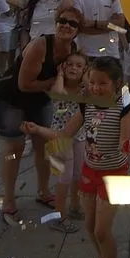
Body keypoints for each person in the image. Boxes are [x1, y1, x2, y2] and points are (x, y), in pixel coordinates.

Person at [22, 56, 130, 258]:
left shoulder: (124, 108)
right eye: (92, 82)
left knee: (102, 231)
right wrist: (37, 129)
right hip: (90, 171)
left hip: (115, 176)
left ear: (117, 84)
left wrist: (127, 145)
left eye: (103, 83)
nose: (96, 88)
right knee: (90, 226)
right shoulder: (86, 105)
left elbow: (125, 138)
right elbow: (64, 135)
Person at [0, 7, 82, 223]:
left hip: (40, 101)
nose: (66, 25)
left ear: (78, 30)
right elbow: (24, 84)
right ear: (55, 22)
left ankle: (43, 191)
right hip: (12, 100)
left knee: (43, 146)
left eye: (72, 23)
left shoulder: (72, 48)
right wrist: (54, 82)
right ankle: (9, 200)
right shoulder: (40, 46)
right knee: (14, 148)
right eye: (62, 20)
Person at [44, 51, 89, 233]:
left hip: (79, 135)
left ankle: (75, 206)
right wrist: (60, 75)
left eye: (79, 66)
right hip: (58, 137)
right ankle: (59, 215)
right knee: (65, 176)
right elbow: (58, 94)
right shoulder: (58, 84)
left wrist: (85, 76)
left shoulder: (84, 88)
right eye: (69, 64)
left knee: (79, 172)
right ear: (62, 67)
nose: (73, 68)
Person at [0, 0, 23, 76]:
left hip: (13, 25)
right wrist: (15, 3)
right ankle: (1, 72)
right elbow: (8, 13)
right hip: (3, 27)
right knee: (4, 51)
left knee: (12, 50)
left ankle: (10, 70)